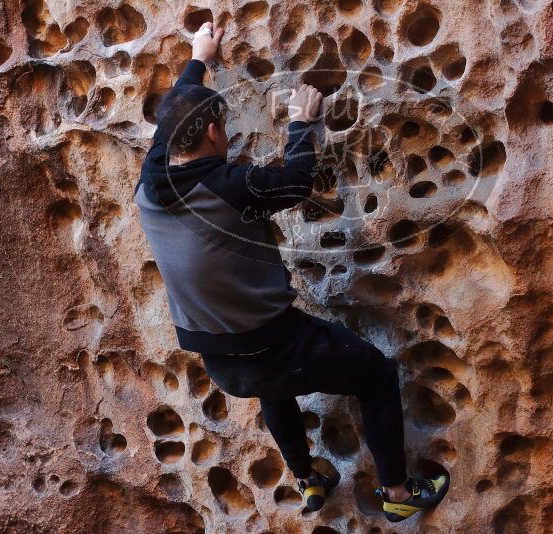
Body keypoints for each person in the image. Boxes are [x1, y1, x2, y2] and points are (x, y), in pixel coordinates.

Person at [133, 22, 450, 523]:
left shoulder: (150, 179)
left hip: (219, 360)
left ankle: (307, 481)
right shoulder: (230, 185)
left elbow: (175, 110)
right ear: (214, 131)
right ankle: (397, 492)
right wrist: (303, 123)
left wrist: (199, 57)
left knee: (272, 389)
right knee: (376, 374)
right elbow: (296, 182)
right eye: (225, 124)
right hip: (274, 345)